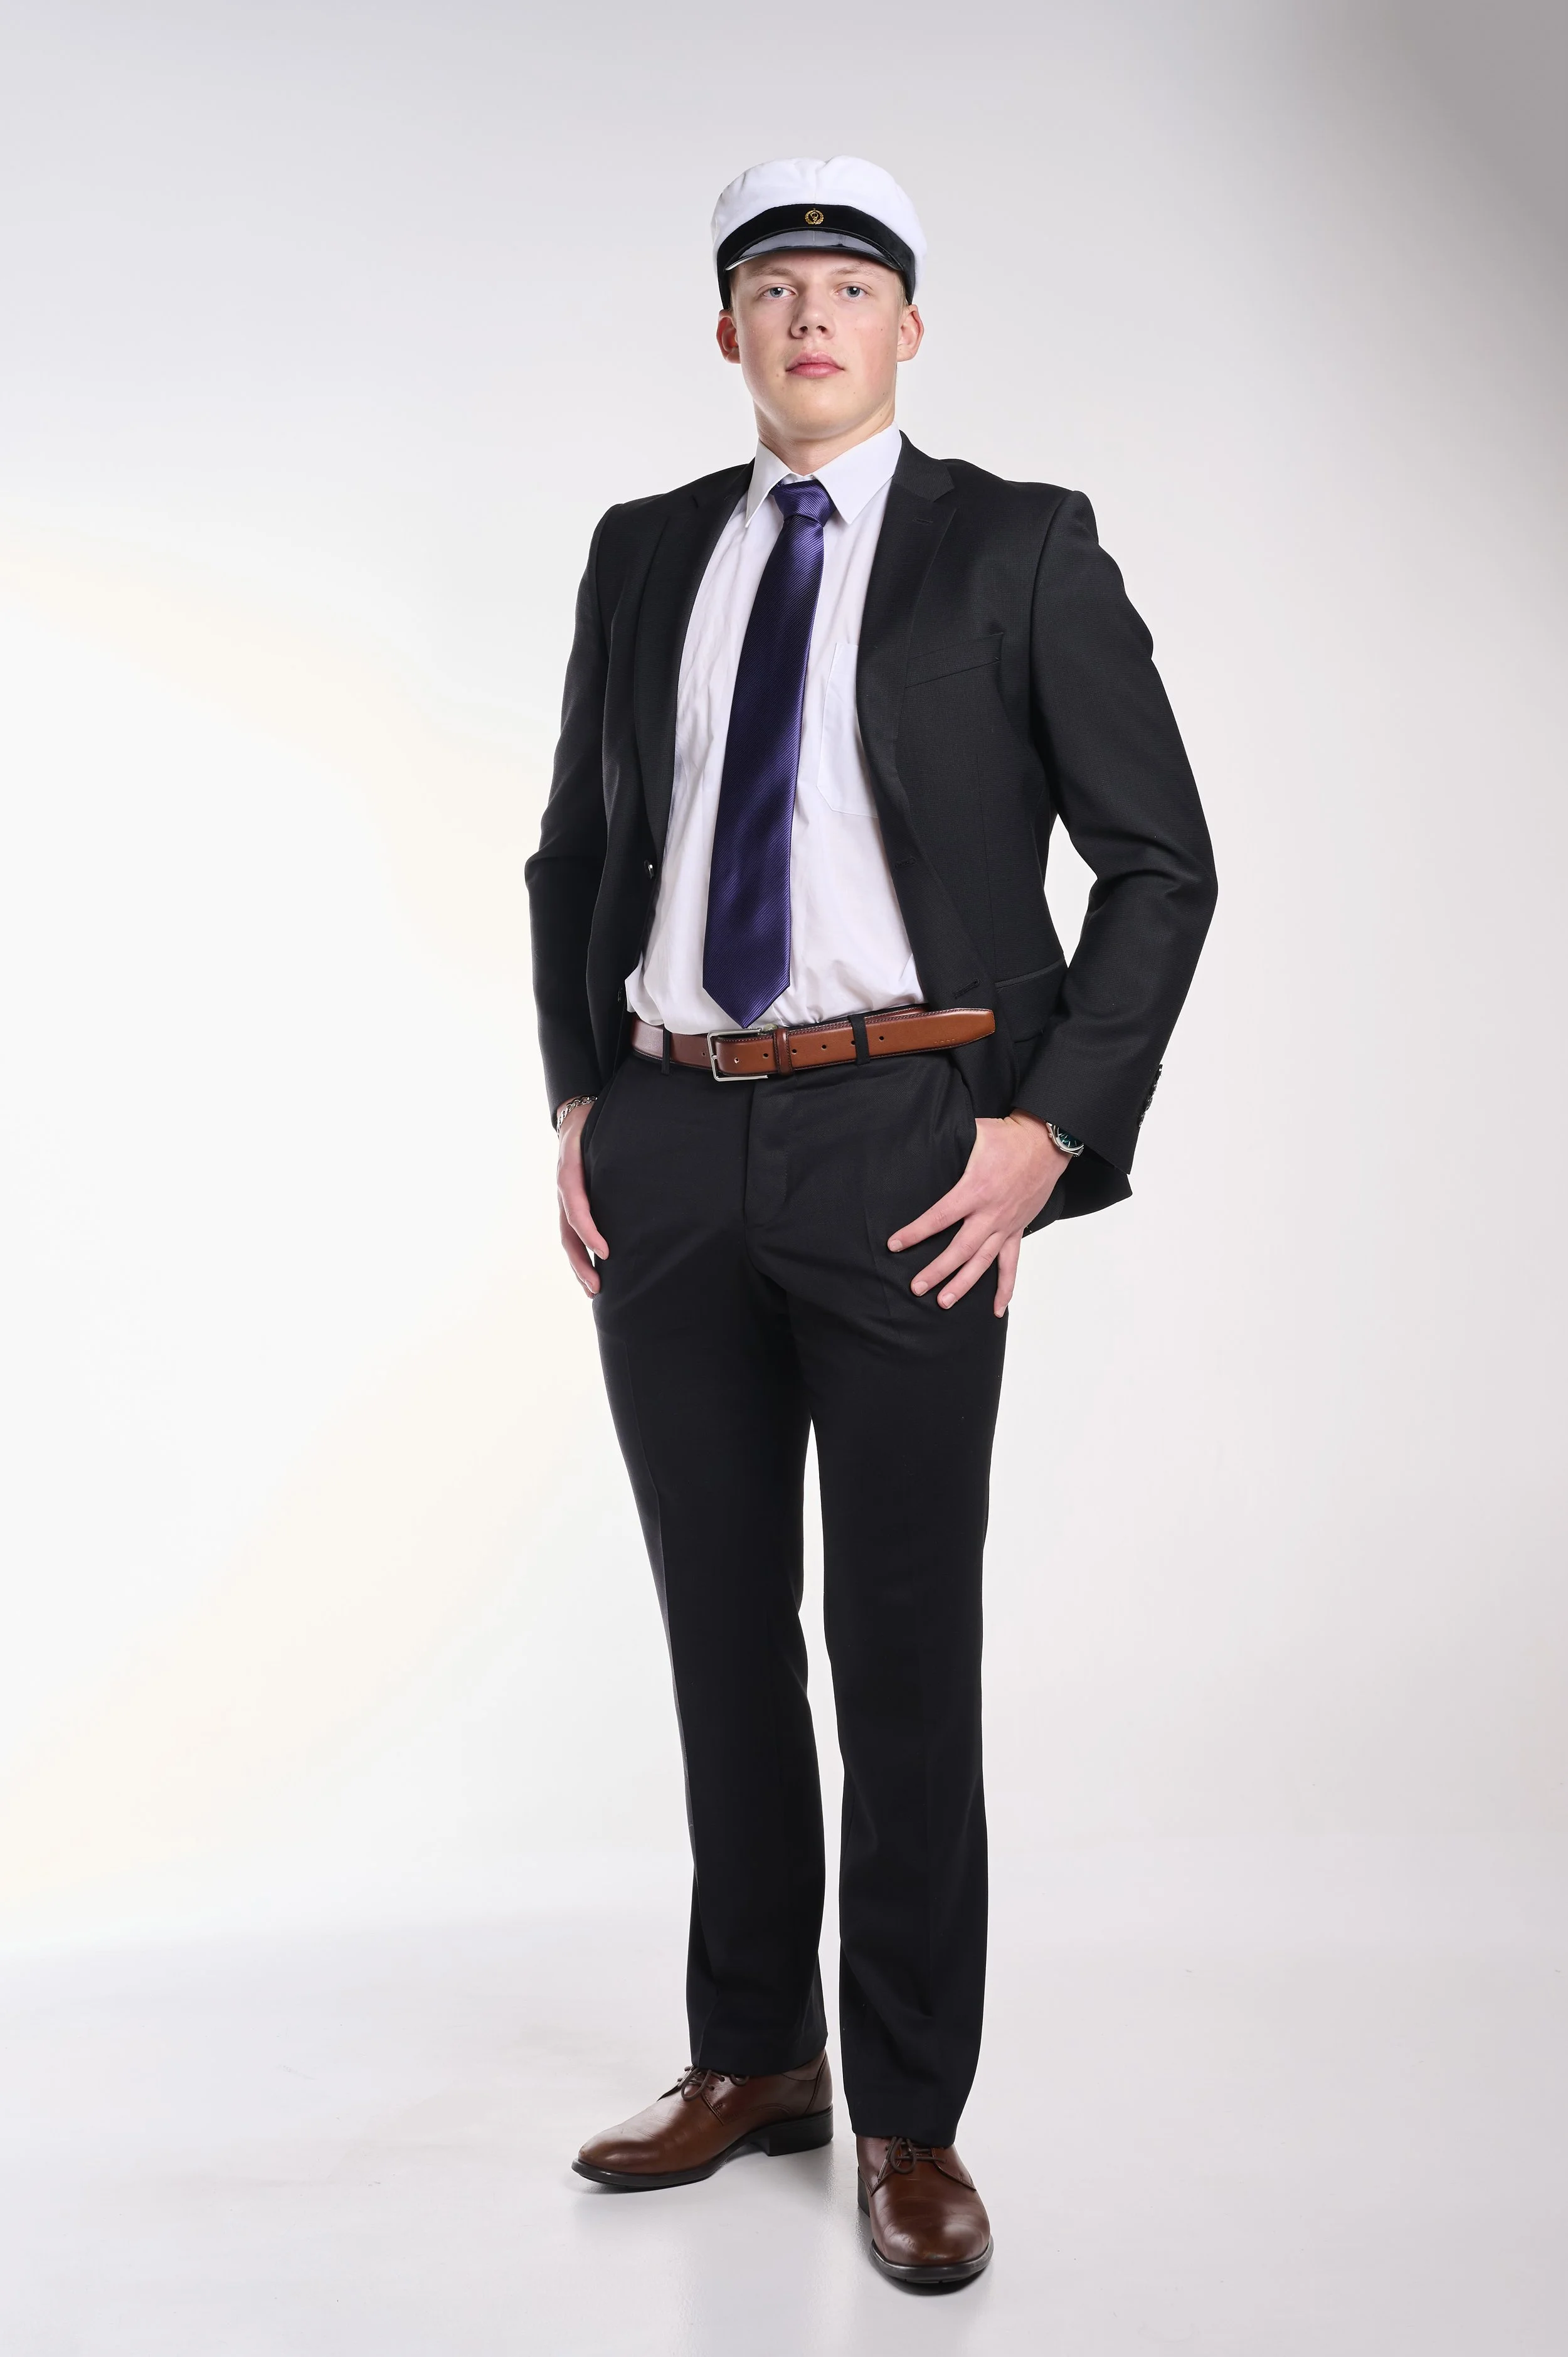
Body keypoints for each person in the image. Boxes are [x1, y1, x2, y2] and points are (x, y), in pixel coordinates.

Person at [527, 154, 1216, 2288]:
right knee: (718, 1623)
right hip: (671, 1137)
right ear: (724, 330)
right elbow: (576, 851)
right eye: (772, 286)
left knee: (901, 1640)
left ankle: (912, 2110)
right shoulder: (647, 550)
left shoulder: (1016, 546)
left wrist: (1044, 1130)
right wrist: (580, 1097)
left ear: (907, 330)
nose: (809, 314)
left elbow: (1158, 862)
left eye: (846, 285)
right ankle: (756, 2052)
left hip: (912, 1135)